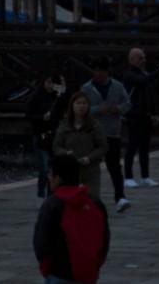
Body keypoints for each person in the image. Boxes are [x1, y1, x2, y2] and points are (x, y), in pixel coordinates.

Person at [32, 153, 110, 284]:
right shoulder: (95, 203)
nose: (49, 178)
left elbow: (41, 241)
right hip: (89, 274)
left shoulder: (53, 204)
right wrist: (94, 266)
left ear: (59, 179)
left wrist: (47, 270)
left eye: (51, 175)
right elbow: (104, 241)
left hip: (59, 274)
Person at [79, 62, 129, 211]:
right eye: (96, 70)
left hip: (112, 132)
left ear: (107, 71)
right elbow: (81, 107)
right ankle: (89, 196)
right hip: (92, 132)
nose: (99, 73)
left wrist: (118, 109)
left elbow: (127, 103)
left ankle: (120, 197)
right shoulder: (86, 88)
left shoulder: (118, 86)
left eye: (102, 70)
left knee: (114, 166)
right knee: (91, 166)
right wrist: (97, 109)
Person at [51, 91, 107, 207]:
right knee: (70, 204)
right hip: (70, 170)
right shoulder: (64, 125)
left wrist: (90, 157)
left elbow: (103, 146)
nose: (82, 106)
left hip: (90, 170)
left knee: (92, 202)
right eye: (78, 103)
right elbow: (56, 146)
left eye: (85, 103)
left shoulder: (94, 125)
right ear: (72, 105)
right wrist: (65, 153)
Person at [119, 49, 159, 189]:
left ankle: (145, 176)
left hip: (145, 114)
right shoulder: (129, 75)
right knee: (132, 145)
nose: (143, 60)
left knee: (145, 147)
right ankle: (128, 176)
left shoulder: (145, 73)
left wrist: (154, 113)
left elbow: (151, 94)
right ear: (131, 60)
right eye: (140, 58)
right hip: (134, 114)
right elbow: (142, 82)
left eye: (144, 58)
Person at [24, 73, 71, 199]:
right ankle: (41, 194)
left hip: (54, 136)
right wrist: (41, 117)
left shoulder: (57, 96)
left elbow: (67, 103)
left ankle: (51, 195)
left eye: (53, 83)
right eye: (48, 82)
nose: (51, 86)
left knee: (53, 168)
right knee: (44, 167)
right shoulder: (36, 97)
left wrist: (63, 87)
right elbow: (28, 115)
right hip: (40, 135)